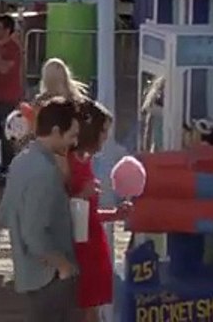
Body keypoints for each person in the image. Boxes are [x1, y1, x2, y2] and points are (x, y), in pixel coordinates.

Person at [0, 96, 82, 322]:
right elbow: (34, 234)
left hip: (27, 272)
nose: (73, 143)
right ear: (55, 131)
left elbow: (4, 214)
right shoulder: (45, 172)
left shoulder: (20, 161)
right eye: (71, 135)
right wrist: (63, 266)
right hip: (49, 277)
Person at [69, 99, 127, 320]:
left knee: (92, 308)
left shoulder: (85, 160)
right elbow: (54, 203)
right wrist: (81, 195)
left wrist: (115, 214)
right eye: (103, 131)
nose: (106, 137)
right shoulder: (69, 161)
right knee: (83, 307)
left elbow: (88, 213)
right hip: (77, 246)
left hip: (92, 242)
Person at [0, 14, 25, 171]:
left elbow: (4, 68)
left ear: (7, 29)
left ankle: (8, 166)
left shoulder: (13, 47)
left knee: (6, 133)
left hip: (8, 96)